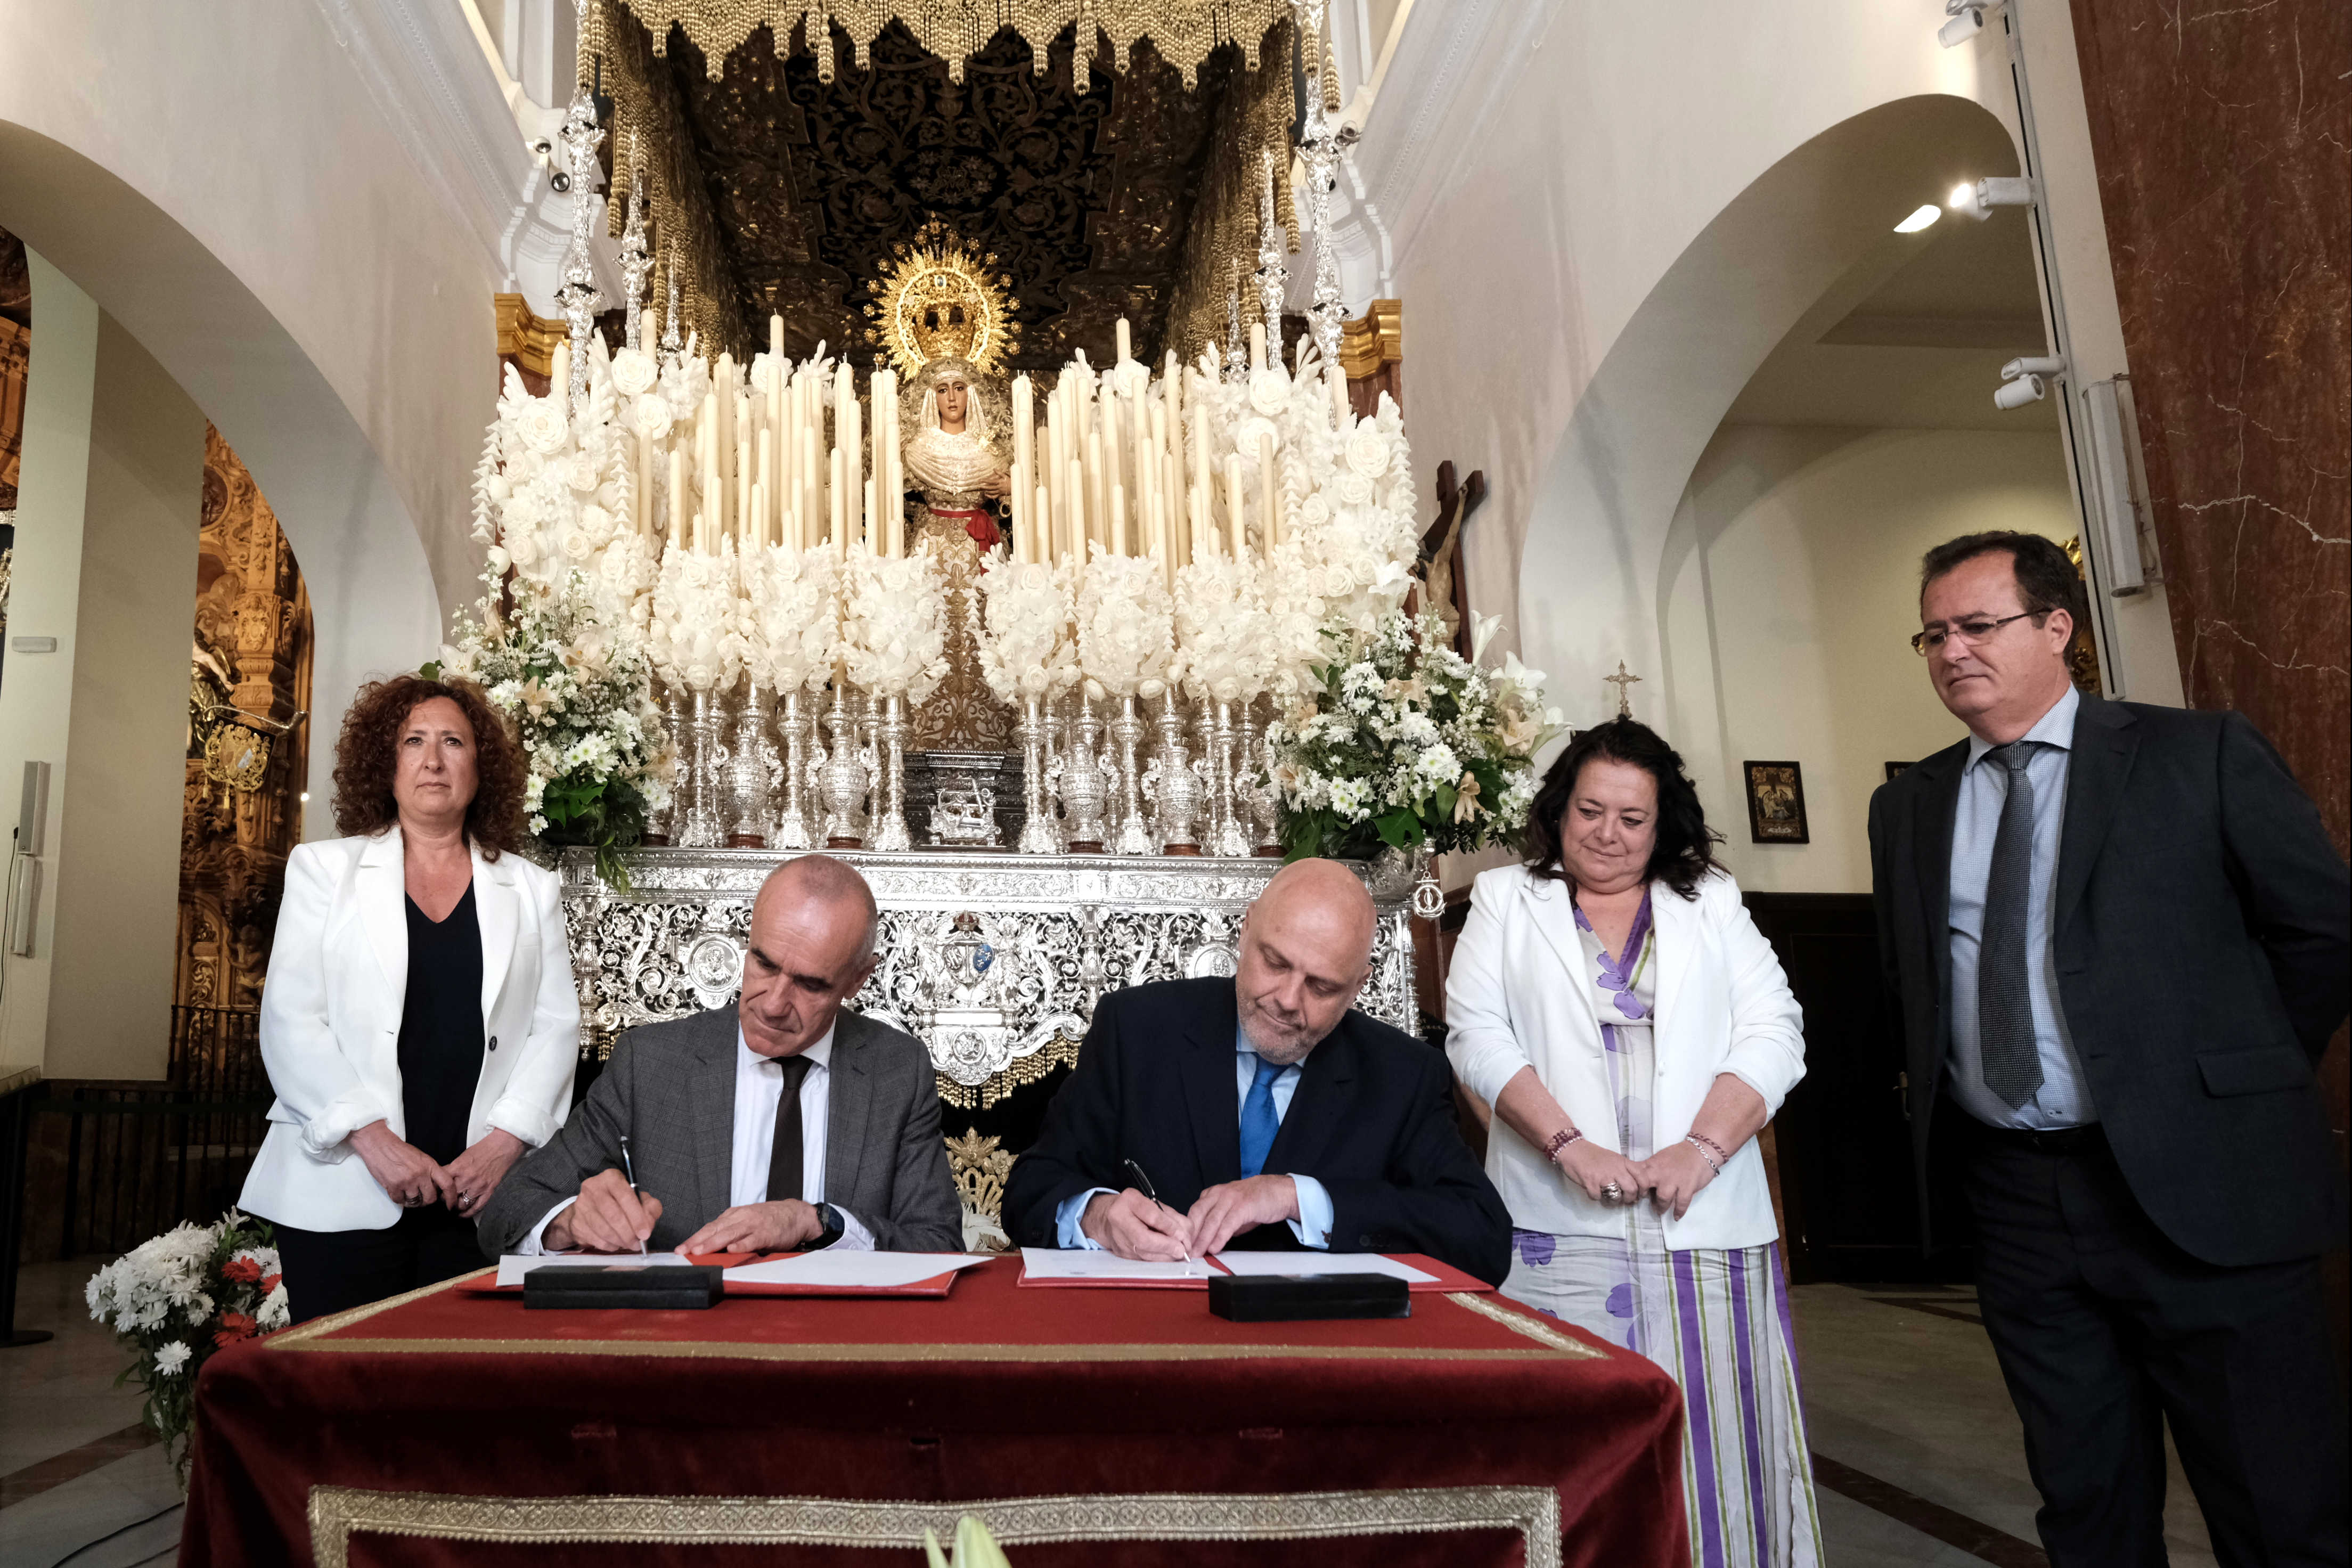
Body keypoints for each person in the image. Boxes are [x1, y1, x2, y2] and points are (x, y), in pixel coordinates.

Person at [1869, 530, 2349, 1565]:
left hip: (2205, 1187)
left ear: (2058, 628)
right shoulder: (1909, 805)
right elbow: (1912, 984)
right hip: (2017, 1202)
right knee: (2087, 1509)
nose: (1953, 650)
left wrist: (2226, 1082)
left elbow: (2323, 933)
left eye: (1978, 624)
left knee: (2279, 1512)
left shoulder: (2197, 753)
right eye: (1934, 632)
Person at [1444, 717, 1819, 1567]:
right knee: (1572, 1452)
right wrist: (1568, 1145)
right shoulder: (1508, 900)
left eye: (1631, 818)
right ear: (1559, 810)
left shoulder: (1710, 899)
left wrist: (1705, 1149)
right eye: (1589, 810)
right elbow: (1475, 1037)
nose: (1607, 834)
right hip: (1557, 1230)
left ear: (1663, 824)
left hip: (1707, 1230)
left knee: (1722, 1448)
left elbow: (1776, 1030)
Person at [240, 676, 579, 1322]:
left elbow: (556, 1026)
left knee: (461, 1398)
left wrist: (504, 1143)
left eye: (454, 741)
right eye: (413, 741)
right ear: (384, 763)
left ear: (481, 767)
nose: (433, 759)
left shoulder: (532, 888)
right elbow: (291, 1019)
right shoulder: (323, 870)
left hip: (476, 1193)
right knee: (345, 1397)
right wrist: (372, 1140)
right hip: (344, 1184)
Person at [1003, 858, 1512, 1285]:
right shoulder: (1136, 1029)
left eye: (1322, 987)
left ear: (1359, 985)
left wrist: (1299, 1198)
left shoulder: (1403, 1074)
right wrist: (1095, 1215)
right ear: (1245, 931)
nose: (1288, 1001)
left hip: (1323, 1366)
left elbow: (1483, 1239)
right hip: (1149, 1343)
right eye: (1275, 962)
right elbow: (1032, 1189)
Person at [476, 855, 961, 1256]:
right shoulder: (650, 1064)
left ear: (858, 979)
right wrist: (569, 1223)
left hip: (837, 1349)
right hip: (684, 1350)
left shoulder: (897, 1071)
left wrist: (818, 1222)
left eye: (811, 984)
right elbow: (507, 1210)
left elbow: (939, 1246)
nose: (772, 1004)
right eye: (764, 964)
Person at [901, 354, 1012, 752]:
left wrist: (1010, 490)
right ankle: (926, 729)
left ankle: (990, 731)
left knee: (982, 626)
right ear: (932, 398)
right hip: (931, 545)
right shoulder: (916, 450)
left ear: (973, 396)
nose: (952, 398)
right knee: (929, 625)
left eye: (960, 388)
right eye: (943, 389)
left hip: (976, 549)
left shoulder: (993, 451)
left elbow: (1024, 493)